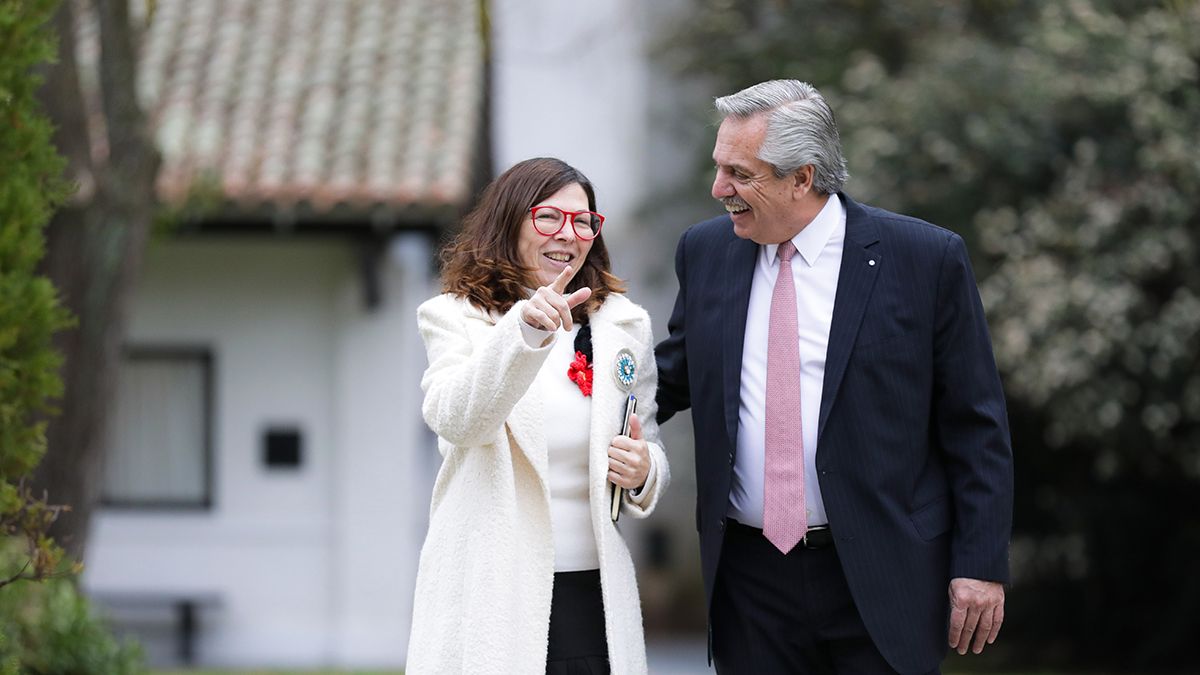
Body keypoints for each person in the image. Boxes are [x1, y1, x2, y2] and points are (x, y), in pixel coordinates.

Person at [654, 80, 1013, 674]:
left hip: (885, 573)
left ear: (802, 177)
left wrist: (979, 562)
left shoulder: (924, 258)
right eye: (720, 168)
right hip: (749, 582)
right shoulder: (705, 251)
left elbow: (975, 424)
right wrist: (565, 377)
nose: (719, 189)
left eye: (740, 174)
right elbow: (670, 378)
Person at [407, 157, 669, 675]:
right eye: (548, 217)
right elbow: (458, 421)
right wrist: (522, 333)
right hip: (492, 593)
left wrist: (644, 471)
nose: (567, 234)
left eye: (583, 221)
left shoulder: (623, 324)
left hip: (593, 596)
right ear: (510, 222)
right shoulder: (456, 315)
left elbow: (649, 440)